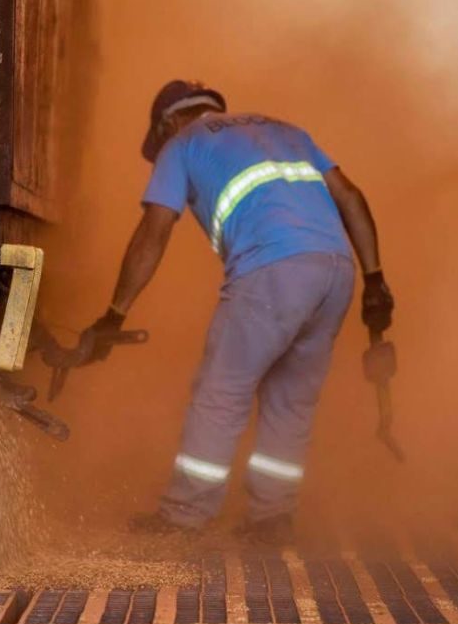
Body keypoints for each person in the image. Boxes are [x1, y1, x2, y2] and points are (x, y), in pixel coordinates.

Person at [80, 80, 393, 543]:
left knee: (221, 392)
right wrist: (374, 280)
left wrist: (115, 312)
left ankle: (184, 516)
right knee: (291, 402)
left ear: (168, 122)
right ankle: (272, 518)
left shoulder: (182, 143)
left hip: (272, 269)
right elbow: (350, 196)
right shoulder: (287, 131)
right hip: (335, 272)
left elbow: (155, 231)